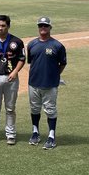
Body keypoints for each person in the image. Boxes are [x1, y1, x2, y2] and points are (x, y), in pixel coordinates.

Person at [0, 14, 26, 145]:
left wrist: (15, 71)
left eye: (3, 26)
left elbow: (22, 59)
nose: (0, 28)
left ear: (8, 26)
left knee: (10, 108)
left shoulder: (17, 42)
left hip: (11, 78)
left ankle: (11, 134)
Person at [26, 16, 67, 149]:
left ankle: (51, 136)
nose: (43, 28)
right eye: (40, 25)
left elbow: (62, 63)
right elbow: (31, 62)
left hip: (50, 84)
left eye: (45, 25)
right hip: (33, 83)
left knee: (50, 110)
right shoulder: (31, 44)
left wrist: (54, 75)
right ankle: (35, 132)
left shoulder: (57, 46)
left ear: (50, 27)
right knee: (34, 108)